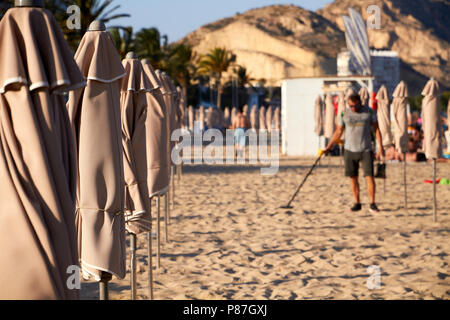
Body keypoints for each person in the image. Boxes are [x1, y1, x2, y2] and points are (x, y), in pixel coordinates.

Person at [323, 94, 384, 213]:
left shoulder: (369, 112)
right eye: (350, 106)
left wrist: (380, 147)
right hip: (349, 150)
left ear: (360, 103)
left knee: (369, 176)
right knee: (353, 177)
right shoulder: (344, 113)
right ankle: (357, 202)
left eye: (355, 105)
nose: (353, 108)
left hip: (366, 149)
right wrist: (329, 146)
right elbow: (338, 131)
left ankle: (372, 203)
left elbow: (376, 130)